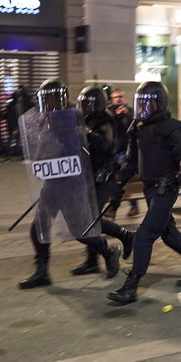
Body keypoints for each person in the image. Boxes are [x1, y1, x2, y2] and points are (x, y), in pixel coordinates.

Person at [107, 81, 181, 305]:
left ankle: (132, 286)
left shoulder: (170, 127)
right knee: (167, 232)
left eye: (149, 104)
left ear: (160, 104)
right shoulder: (137, 127)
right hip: (150, 188)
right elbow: (131, 162)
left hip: (167, 188)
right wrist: (118, 190)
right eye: (141, 104)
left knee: (144, 235)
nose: (144, 109)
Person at [18, 80, 121, 289]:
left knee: (80, 230)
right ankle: (41, 271)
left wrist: (82, 135)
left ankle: (108, 251)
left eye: (52, 98)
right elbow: (42, 147)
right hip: (53, 181)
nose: (48, 103)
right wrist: (39, 161)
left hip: (73, 183)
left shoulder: (74, 118)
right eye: (45, 99)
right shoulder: (44, 120)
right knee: (38, 226)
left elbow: (89, 149)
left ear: (62, 99)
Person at [69, 86, 137, 276]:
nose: (84, 107)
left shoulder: (106, 121)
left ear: (97, 103)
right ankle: (96, 258)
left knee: (90, 220)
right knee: (91, 220)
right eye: (82, 103)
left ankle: (107, 252)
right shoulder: (82, 120)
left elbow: (106, 145)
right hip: (85, 177)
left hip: (102, 178)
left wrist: (86, 132)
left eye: (87, 104)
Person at [104, 87, 136, 218]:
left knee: (121, 176)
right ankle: (133, 205)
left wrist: (127, 115)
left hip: (126, 153)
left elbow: (133, 131)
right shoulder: (108, 114)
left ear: (125, 98)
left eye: (120, 97)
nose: (118, 99)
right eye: (115, 97)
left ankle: (114, 208)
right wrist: (115, 117)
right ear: (111, 100)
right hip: (112, 153)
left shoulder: (131, 113)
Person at [3, 90, 27, 162]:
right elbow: (11, 118)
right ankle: (8, 156)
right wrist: (14, 128)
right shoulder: (14, 106)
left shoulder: (13, 105)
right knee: (13, 141)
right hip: (14, 127)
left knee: (17, 141)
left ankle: (16, 155)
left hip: (17, 126)